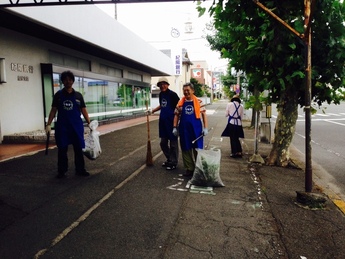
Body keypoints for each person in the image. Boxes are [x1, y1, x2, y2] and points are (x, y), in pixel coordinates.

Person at [45, 70, 91, 178]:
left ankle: (80, 170)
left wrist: (90, 123)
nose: (68, 81)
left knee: (78, 149)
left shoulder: (78, 96)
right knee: (62, 149)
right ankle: (62, 171)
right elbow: (53, 110)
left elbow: (84, 110)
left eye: (70, 79)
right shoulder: (58, 95)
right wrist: (48, 124)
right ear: (62, 81)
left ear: (73, 81)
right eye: (65, 80)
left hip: (76, 127)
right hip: (63, 128)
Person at [173, 82, 208, 177]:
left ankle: (198, 168)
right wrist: (174, 127)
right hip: (184, 129)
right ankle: (189, 168)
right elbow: (176, 115)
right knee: (185, 148)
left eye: (188, 90)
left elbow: (204, 115)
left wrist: (205, 128)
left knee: (198, 148)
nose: (186, 92)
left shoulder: (199, 102)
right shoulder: (180, 103)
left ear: (193, 90)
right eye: (184, 91)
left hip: (196, 129)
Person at [151, 77, 180, 170]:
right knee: (163, 143)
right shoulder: (161, 95)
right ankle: (169, 159)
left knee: (173, 144)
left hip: (172, 122)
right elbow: (162, 105)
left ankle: (174, 162)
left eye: (164, 84)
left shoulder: (173, 95)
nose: (162, 86)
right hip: (163, 122)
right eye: (160, 84)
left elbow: (179, 106)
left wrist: (177, 122)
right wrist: (153, 110)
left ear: (167, 85)